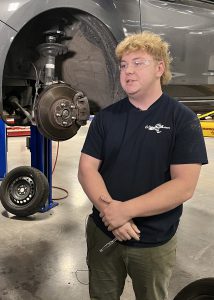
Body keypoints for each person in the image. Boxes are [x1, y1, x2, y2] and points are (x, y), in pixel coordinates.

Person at [78, 31, 208, 300]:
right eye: (124, 65)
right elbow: (86, 169)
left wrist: (124, 211)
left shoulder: (183, 120)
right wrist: (110, 214)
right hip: (104, 233)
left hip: (152, 242)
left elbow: (183, 186)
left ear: (160, 68)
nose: (128, 71)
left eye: (138, 63)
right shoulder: (106, 118)